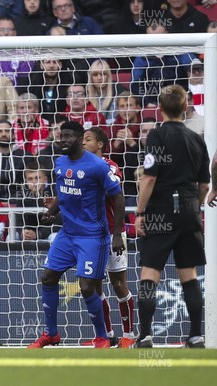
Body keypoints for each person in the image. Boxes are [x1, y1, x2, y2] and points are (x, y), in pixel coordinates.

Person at [28, 121, 125, 349]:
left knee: (87, 286)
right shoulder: (59, 163)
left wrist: (118, 233)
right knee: (48, 277)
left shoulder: (97, 166)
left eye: (68, 136)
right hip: (67, 233)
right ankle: (51, 334)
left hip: (92, 236)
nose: (62, 139)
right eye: (61, 135)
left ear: (80, 139)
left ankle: (103, 337)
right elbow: (63, 192)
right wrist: (51, 212)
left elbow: (118, 197)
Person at [134, 84, 210, 349]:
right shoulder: (197, 139)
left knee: (149, 272)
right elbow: (204, 185)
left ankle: (144, 336)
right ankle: (196, 335)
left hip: (162, 211)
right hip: (189, 211)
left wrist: (140, 212)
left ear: (160, 107)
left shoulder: (157, 136)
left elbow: (150, 177)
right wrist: (195, 207)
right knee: (188, 274)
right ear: (185, 106)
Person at [82, 127, 137, 348]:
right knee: (94, 285)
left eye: (88, 139)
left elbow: (110, 192)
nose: (83, 143)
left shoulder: (111, 166)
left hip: (114, 232)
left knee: (118, 283)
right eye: (82, 139)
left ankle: (129, 336)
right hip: (90, 235)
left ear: (100, 145)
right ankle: (107, 335)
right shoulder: (78, 168)